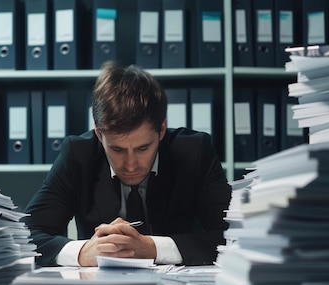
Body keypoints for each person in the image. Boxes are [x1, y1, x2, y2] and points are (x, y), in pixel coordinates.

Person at [24, 60, 231, 267]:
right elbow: (25, 236)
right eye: (117, 149)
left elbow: (232, 237)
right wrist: (83, 252)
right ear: (98, 134)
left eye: (143, 148)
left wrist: (153, 248)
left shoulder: (194, 152)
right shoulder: (78, 154)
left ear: (161, 130)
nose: (131, 165)